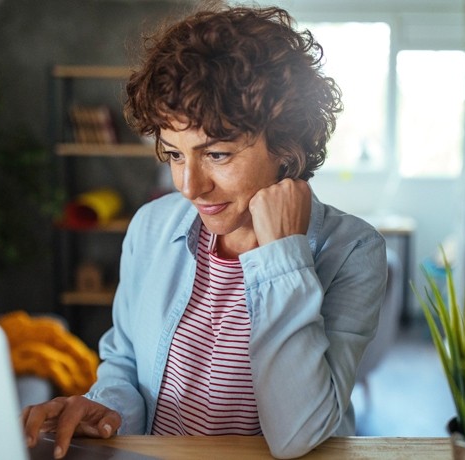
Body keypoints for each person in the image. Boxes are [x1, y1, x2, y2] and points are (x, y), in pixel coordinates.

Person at [22, 3, 387, 459]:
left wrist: (283, 256)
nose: (189, 187)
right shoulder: (151, 228)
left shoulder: (353, 250)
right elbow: (124, 365)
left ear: (287, 143)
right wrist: (106, 409)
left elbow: (299, 434)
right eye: (175, 154)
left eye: (217, 154)